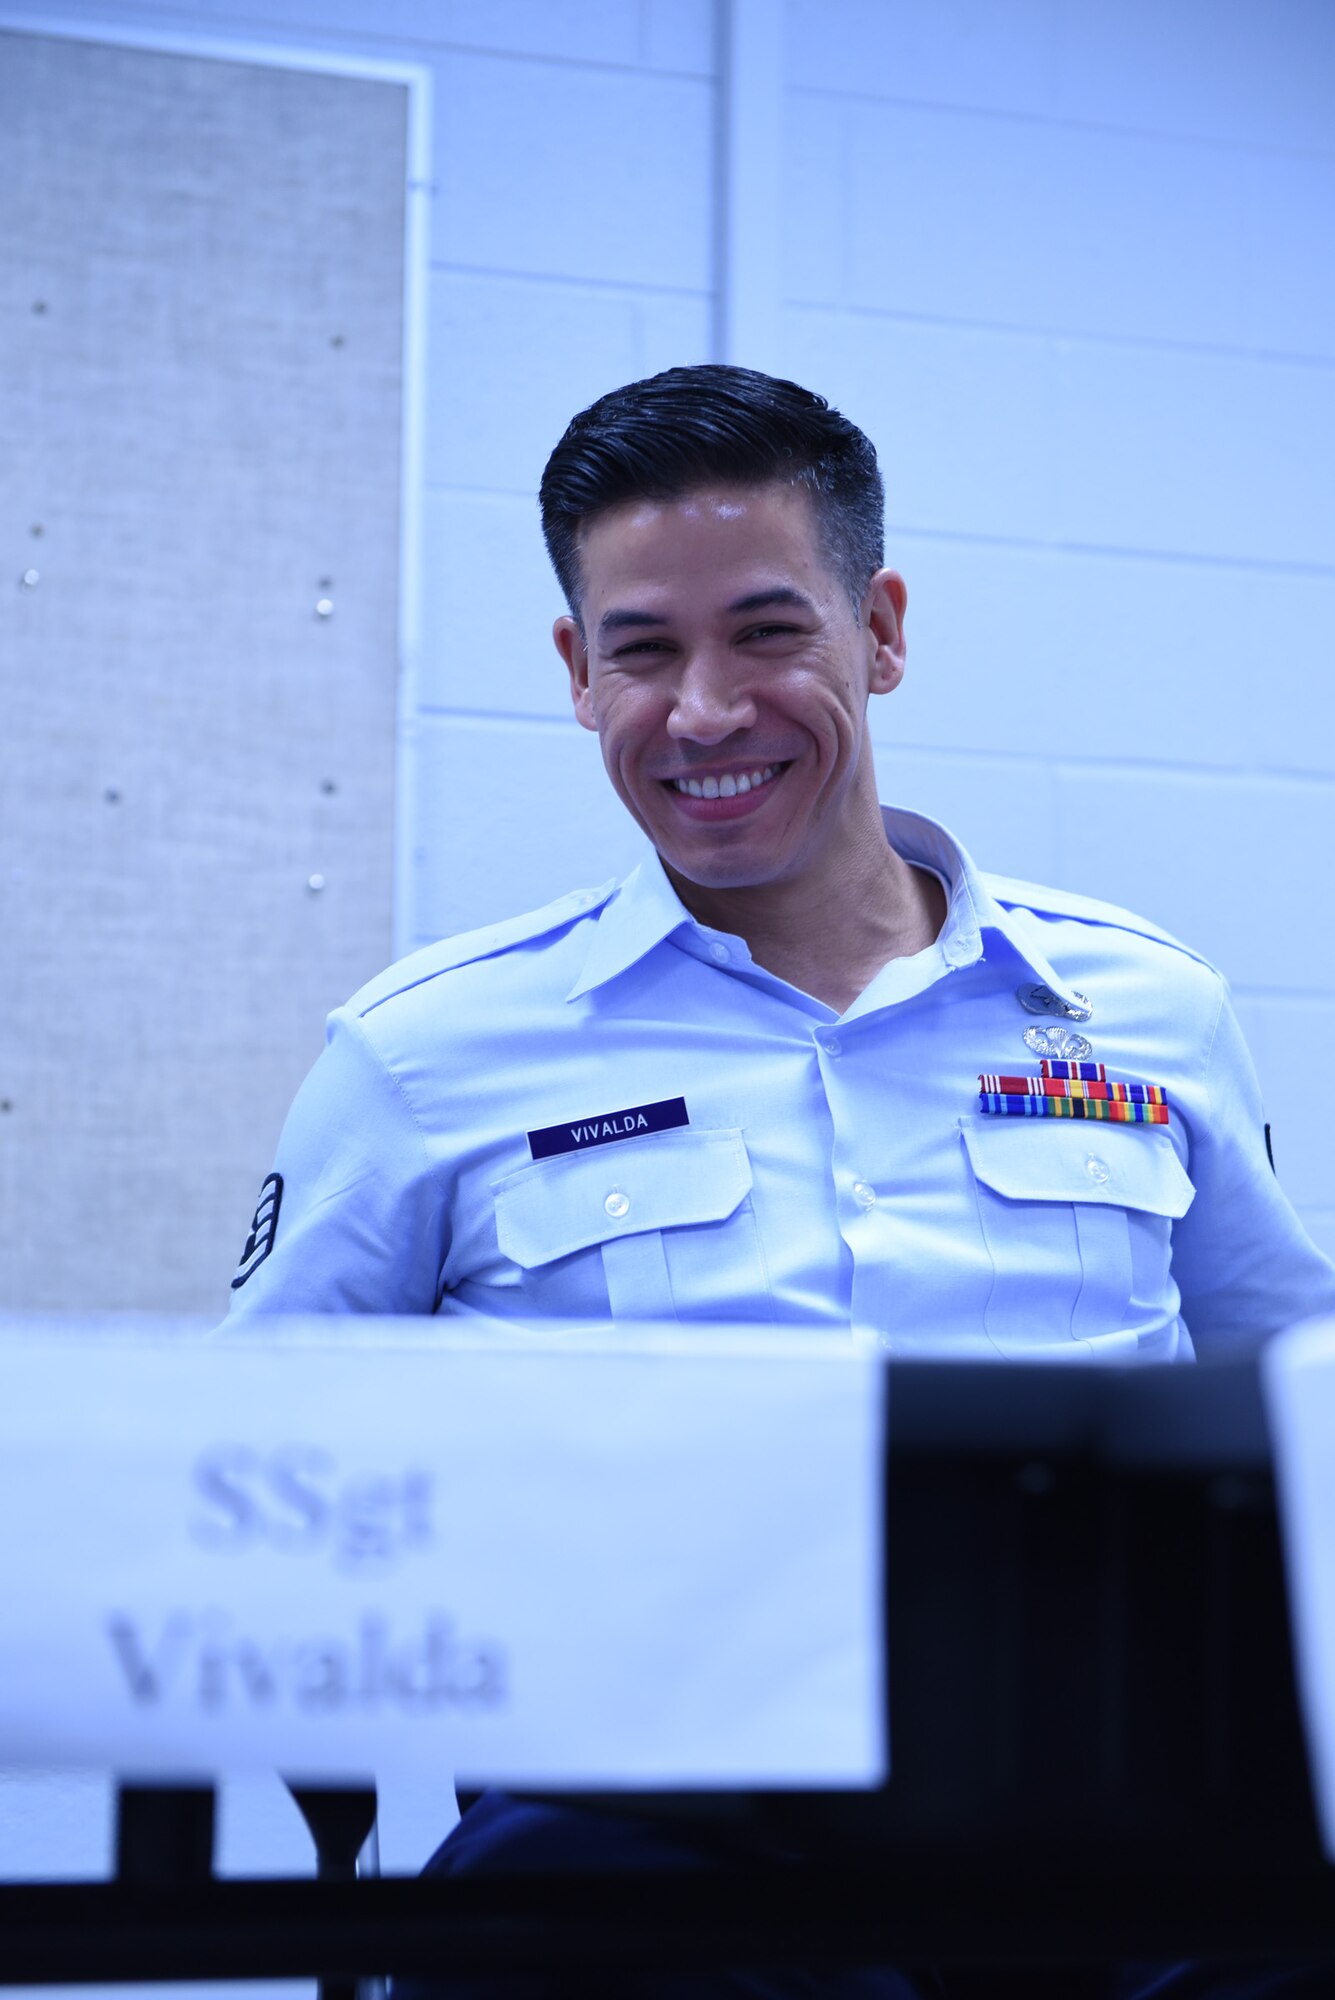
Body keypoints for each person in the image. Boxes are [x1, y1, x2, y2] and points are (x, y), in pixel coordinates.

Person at [225, 366, 1335, 1997]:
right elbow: (249, 1474)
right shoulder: (425, 1055)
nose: (705, 713)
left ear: (879, 630)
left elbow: (1296, 1406)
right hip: (644, 1833)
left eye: (767, 632)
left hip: (1111, 1805)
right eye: (644, 651)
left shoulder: (1148, 1010)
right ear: (575, 671)